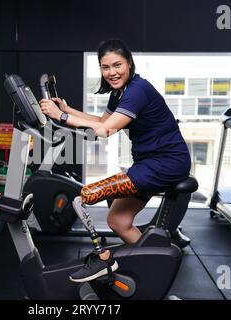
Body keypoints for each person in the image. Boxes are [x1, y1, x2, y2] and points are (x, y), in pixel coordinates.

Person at [39, 39, 191, 283]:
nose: (112, 72)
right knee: (118, 221)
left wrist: (61, 116)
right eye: (105, 67)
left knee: (85, 196)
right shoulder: (121, 93)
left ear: (129, 64)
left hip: (167, 162)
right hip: (147, 164)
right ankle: (156, 267)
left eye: (117, 65)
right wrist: (68, 109)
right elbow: (100, 120)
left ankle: (104, 257)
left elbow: (105, 131)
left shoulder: (138, 90)